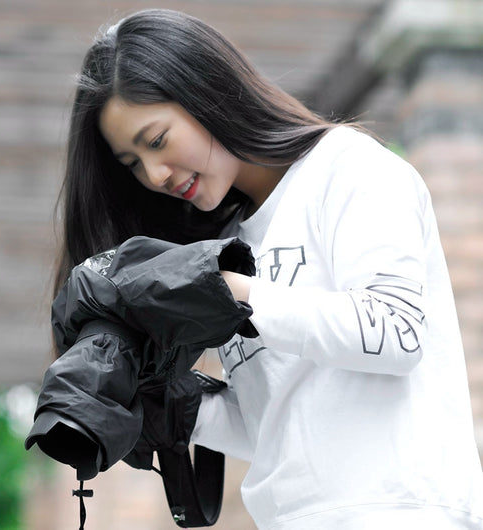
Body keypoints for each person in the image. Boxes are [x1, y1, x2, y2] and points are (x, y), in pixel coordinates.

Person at [54, 7, 483, 529]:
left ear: (205, 90)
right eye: (133, 164)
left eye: (157, 140)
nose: (155, 174)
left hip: (399, 512)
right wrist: (170, 405)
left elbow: (396, 332)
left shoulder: (348, 168)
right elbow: (277, 426)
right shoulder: (229, 240)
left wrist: (231, 291)